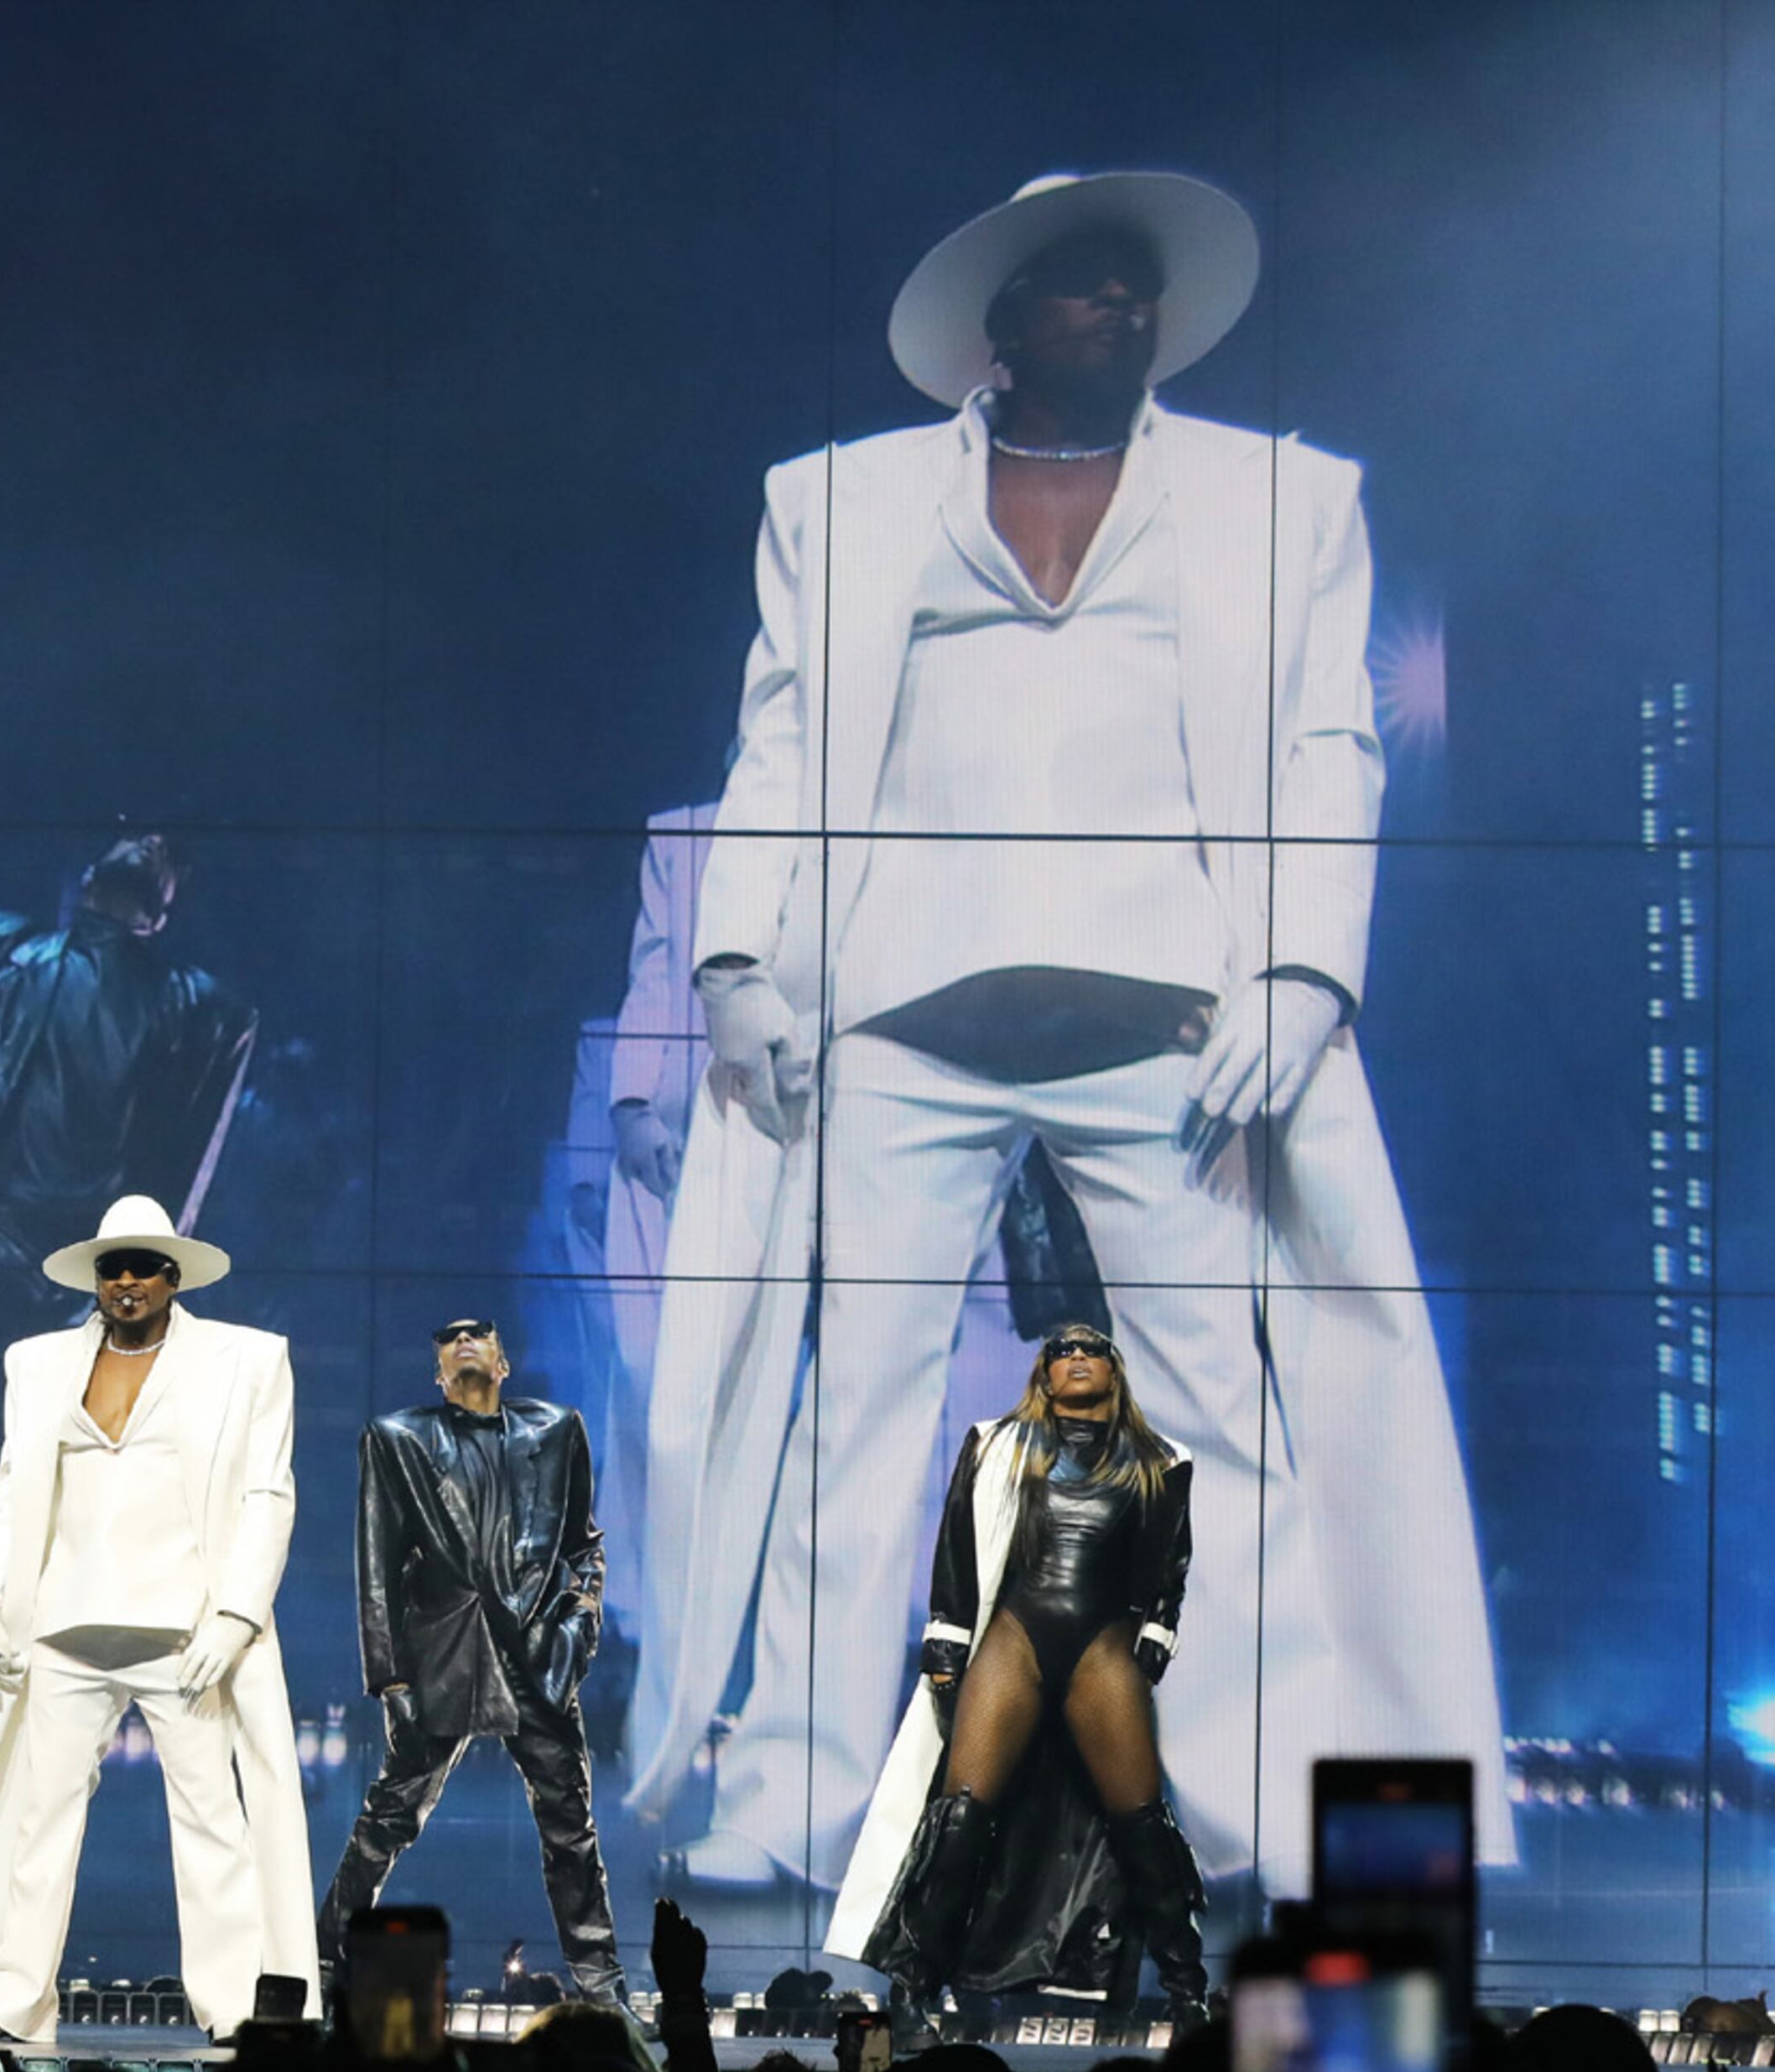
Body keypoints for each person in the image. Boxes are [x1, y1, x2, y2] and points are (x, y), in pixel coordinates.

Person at [632, 170, 1511, 1894]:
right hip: (900, 1000)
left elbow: (1335, 741)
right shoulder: (844, 502)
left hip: (1163, 1003)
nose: (1126, 308)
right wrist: (737, 960)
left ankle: (1267, 1792)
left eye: (1139, 287)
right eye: (1087, 286)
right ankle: (794, 1797)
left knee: (1225, 1425)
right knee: (853, 1415)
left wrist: (1304, 970)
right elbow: (786, 737)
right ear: (1005, 324)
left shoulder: (1281, 497)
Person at [0, 831, 257, 1828]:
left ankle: (21, 1781)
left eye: (162, 848)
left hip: (77, 1289)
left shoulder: (198, 1008)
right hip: (5, 1272)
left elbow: (185, 1180)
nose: (142, 852)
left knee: (51, 1537)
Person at [0, 1194, 317, 2042]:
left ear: (175, 1276)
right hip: (63, 1625)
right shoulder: (37, 1364)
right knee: (39, 1824)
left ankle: (232, 2008)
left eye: (144, 1266)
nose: (128, 1281)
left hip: (184, 1628)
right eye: (113, 1268)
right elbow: (14, 1492)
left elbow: (268, 1495)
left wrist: (234, 1616)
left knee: (213, 1822)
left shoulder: (245, 1361)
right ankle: (12, 2002)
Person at [827, 1325, 1206, 2025]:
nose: (1078, 1354)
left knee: (1142, 1824)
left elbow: (1167, 1568)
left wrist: (1157, 1634)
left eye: (1092, 1347)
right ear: (1043, 1371)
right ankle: (915, 1984)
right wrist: (945, 1645)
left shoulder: (1160, 1460)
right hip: (1015, 1636)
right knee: (962, 1815)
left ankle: (1189, 1988)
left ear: (1114, 1370)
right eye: (1062, 1349)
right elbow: (958, 1550)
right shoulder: (996, 1444)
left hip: (1101, 1647)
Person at [319, 1320, 625, 2008]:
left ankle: (603, 1989)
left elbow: (583, 1544)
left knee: (569, 1826)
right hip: (443, 1652)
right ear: (436, 1372)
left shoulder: (556, 1430)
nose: (462, 1341)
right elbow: (377, 1565)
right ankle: (322, 1955)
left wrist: (579, 1624)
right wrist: (389, 1675)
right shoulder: (398, 1439)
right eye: (448, 1338)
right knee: (393, 1812)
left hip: (535, 1655)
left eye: (477, 1334)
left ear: (503, 1361)